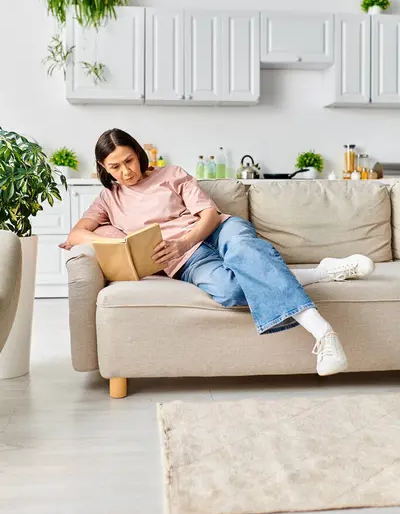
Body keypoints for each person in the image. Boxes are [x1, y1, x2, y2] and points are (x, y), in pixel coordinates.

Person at [63, 128, 375, 377]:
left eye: (128, 160)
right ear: (104, 168)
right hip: (187, 262)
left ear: (139, 155)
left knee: (245, 253)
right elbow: (76, 234)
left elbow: (209, 215)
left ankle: (325, 336)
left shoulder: (171, 174)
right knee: (232, 289)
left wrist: (183, 241)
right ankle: (323, 272)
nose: (125, 171)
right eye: (114, 166)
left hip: (219, 231)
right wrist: (116, 239)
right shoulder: (108, 198)